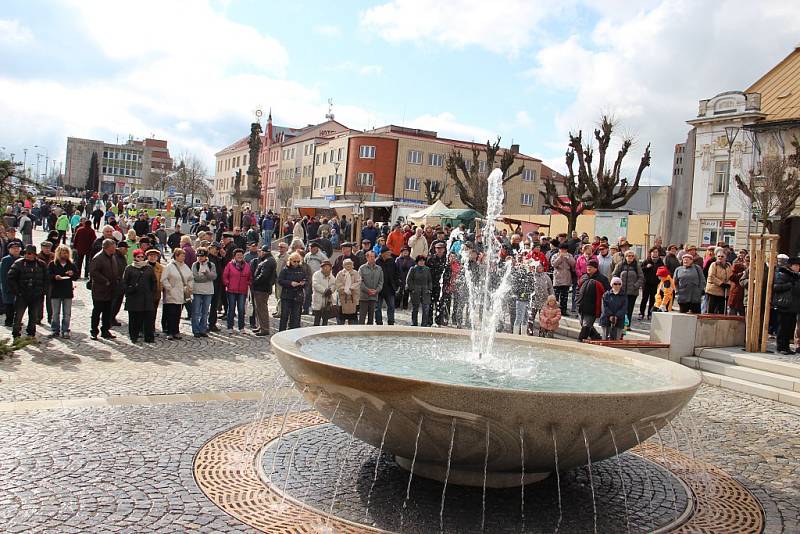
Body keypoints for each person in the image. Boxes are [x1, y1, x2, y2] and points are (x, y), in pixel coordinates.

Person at [7, 245, 48, 339]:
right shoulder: (18, 264)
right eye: (25, 253)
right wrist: (17, 291)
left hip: (36, 295)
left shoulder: (41, 264)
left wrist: (43, 291)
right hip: (22, 295)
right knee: (18, 316)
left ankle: (31, 333)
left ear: (34, 254)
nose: (27, 255)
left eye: (29, 253)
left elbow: (46, 279)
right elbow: (11, 278)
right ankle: (16, 334)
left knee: (33, 316)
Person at [123, 249, 157, 343]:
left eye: (142, 256)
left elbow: (153, 281)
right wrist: (130, 289)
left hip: (147, 297)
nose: (141, 258)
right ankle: (133, 336)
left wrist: (152, 293)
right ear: (135, 257)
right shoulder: (129, 268)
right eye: (138, 257)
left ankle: (149, 337)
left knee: (148, 319)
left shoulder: (149, 268)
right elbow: (124, 282)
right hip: (134, 297)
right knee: (134, 319)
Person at [89, 239, 121, 340]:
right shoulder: (98, 258)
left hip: (111, 289)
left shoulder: (112, 257)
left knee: (107, 311)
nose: (115, 248)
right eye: (113, 246)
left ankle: (105, 330)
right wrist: (105, 280)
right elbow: (94, 272)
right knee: (97, 311)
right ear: (107, 247)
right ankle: (94, 331)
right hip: (100, 290)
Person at [161, 247, 192, 340]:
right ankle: (169, 331)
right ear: (176, 256)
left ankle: (176, 331)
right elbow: (163, 279)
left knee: (178, 313)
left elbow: (190, 278)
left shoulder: (185, 267)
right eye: (182, 256)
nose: (183, 257)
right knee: (171, 313)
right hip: (171, 294)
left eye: (184, 256)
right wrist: (169, 288)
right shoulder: (169, 267)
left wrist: (189, 287)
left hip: (181, 294)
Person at [48, 244, 78, 338]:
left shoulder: (71, 265)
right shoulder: (53, 264)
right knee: (55, 313)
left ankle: (65, 330)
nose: (64, 255)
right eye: (62, 253)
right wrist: (55, 277)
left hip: (67, 291)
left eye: (65, 253)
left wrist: (72, 274)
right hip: (56, 291)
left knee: (67, 313)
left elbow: (76, 277)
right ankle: (55, 330)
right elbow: (48, 275)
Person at [772, 257, 800, 355]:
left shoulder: (797, 276)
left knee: (790, 328)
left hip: (793, 306)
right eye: (796, 265)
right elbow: (776, 287)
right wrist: (789, 285)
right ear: (791, 266)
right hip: (784, 305)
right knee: (782, 328)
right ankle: (780, 347)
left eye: (798, 266)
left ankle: (786, 347)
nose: (797, 267)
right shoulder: (782, 274)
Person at [576, 260, 610, 341]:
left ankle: (579, 341)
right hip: (581, 306)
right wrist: (576, 300)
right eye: (587, 267)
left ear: (595, 268)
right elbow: (577, 290)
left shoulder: (602, 279)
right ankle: (596, 337)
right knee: (584, 324)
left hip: (593, 308)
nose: (588, 268)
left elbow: (607, 293)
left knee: (586, 326)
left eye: (590, 267)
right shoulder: (583, 277)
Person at [222, 249, 252, 334]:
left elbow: (250, 277)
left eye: (241, 255)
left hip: (242, 291)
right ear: (234, 256)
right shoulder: (230, 265)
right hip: (231, 290)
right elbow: (225, 276)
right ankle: (230, 327)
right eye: (238, 255)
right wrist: (228, 284)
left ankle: (241, 327)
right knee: (231, 309)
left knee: (241, 309)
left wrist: (248, 283)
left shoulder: (246, 265)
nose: (240, 256)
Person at [612, 250, 644, 327]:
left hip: (632, 292)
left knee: (629, 310)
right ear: (625, 257)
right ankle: (618, 324)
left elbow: (641, 277)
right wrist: (617, 285)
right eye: (629, 256)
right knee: (620, 309)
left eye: (632, 256)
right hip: (621, 291)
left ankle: (627, 325)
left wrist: (635, 286)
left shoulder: (637, 265)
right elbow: (614, 275)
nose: (630, 257)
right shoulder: (620, 265)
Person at [191, 247, 217, 338]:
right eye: (198, 256)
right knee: (196, 311)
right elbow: (196, 278)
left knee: (205, 312)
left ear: (206, 256)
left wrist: (207, 274)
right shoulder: (195, 265)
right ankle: (196, 330)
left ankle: (203, 329)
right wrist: (207, 277)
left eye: (202, 256)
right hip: (197, 290)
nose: (200, 258)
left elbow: (214, 277)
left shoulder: (211, 265)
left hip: (208, 291)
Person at [251, 245, 276, 336]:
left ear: (264, 252)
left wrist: (254, 282)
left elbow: (263, 276)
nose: (259, 253)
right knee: (259, 309)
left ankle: (264, 328)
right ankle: (261, 326)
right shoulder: (268, 260)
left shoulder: (268, 262)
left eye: (260, 251)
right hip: (262, 288)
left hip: (262, 289)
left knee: (262, 309)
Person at [278, 252, 307, 331]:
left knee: (296, 317)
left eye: (298, 261)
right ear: (290, 261)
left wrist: (303, 283)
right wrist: (290, 283)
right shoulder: (285, 269)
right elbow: (280, 281)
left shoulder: (302, 269)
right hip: (287, 295)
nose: (296, 263)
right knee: (284, 315)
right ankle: (281, 332)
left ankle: (294, 332)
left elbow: (306, 279)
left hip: (297, 295)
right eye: (294, 261)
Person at [526, 262, 554, 336]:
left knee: (543, 318)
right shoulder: (532, 276)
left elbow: (550, 288)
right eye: (538, 267)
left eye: (541, 266)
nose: (540, 268)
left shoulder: (546, 277)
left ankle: (542, 333)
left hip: (544, 300)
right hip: (534, 300)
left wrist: (552, 298)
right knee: (531, 317)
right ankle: (530, 332)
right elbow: (528, 286)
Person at [406, 254, 432, 327]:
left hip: (425, 290)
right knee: (415, 308)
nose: (422, 262)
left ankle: (424, 323)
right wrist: (412, 289)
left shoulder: (427, 269)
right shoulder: (413, 269)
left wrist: (430, 289)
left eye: (423, 261)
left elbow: (430, 280)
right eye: (420, 261)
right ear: (417, 261)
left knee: (426, 308)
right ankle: (414, 323)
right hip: (416, 290)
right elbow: (408, 280)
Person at [358, 251, 383, 325]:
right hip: (364, 296)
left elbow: (381, 282)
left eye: (373, 256)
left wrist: (376, 291)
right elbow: (359, 281)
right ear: (367, 257)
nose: (372, 258)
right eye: (370, 256)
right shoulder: (362, 268)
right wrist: (367, 290)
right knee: (362, 317)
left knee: (371, 317)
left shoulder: (379, 269)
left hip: (374, 296)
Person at [376, 246, 400, 325]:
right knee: (378, 307)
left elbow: (397, 274)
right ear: (383, 254)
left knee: (391, 306)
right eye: (388, 253)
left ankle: (391, 322)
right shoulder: (377, 262)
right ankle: (379, 322)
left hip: (390, 288)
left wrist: (397, 285)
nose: (389, 255)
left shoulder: (392, 261)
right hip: (379, 288)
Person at [0, 241, 22, 327]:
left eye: (18, 248)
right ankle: (9, 321)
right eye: (14, 248)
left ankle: (16, 320)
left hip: (19, 286)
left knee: (18, 305)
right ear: (9, 250)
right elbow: (3, 275)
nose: (16, 250)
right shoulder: (6, 259)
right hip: (8, 286)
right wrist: (5, 287)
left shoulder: (21, 259)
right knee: (9, 305)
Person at [639, 247, 664, 320]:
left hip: (656, 283)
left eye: (656, 252)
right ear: (651, 253)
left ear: (658, 253)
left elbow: (663, 271)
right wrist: (646, 267)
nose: (655, 253)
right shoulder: (647, 261)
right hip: (646, 283)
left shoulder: (660, 262)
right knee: (644, 299)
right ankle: (641, 313)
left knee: (653, 299)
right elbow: (640, 270)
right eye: (653, 252)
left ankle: (650, 313)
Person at [551, 243, 575, 316]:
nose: (563, 251)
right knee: (556, 296)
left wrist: (567, 258)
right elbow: (553, 264)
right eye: (562, 249)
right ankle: (554, 311)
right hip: (558, 277)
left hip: (566, 277)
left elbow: (573, 264)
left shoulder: (569, 255)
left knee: (565, 296)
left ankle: (563, 311)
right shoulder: (555, 255)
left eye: (564, 249)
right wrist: (560, 257)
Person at [311, 259, 337, 326]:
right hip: (319, 298)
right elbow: (315, 284)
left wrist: (331, 290)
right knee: (317, 318)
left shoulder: (331, 275)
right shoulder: (316, 274)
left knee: (325, 318)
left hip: (327, 300)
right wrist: (325, 290)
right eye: (324, 266)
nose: (326, 268)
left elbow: (334, 284)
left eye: (327, 266)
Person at [705, 250, 732, 315]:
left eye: (722, 256)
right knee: (711, 310)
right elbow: (711, 276)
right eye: (718, 256)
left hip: (724, 292)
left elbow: (731, 276)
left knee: (722, 310)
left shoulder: (728, 265)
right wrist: (721, 283)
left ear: (725, 257)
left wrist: (728, 283)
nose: (720, 257)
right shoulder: (714, 265)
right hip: (713, 291)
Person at [335, 258, 360, 325]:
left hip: (353, 298)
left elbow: (358, 282)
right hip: (343, 298)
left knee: (352, 318)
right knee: (341, 318)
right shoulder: (340, 273)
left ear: (352, 265)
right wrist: (345, 289)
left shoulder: (355, 273)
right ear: (343, 265)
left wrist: (351, 288)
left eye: (350, 264)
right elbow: (337, 283)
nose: (348, 266)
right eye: (346, 264)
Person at [395, 246, 414, 310]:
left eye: (407, 251)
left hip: (408, 278)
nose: (405, 252)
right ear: (401, 252)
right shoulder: (398, 259)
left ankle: (405, 306)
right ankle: (397, 305)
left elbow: (413, 269)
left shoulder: (411, 260)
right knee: (399, 292)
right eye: (404, 251)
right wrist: (397, 278)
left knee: (406, 292)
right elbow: (396, 269)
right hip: (400, 277)